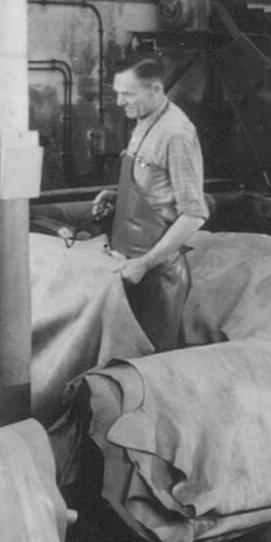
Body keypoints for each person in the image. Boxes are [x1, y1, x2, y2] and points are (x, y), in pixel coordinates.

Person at [92, 57, 209, 352]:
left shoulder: (176, 133)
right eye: (117, 92)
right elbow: (155, 190)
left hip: (156, 277)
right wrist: (118, 197)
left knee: (152, 367)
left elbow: (193, 214)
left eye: (127, 94)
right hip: (129, 265)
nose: (119, 102)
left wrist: (145, 263)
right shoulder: (144, 121)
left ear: (156, 89)